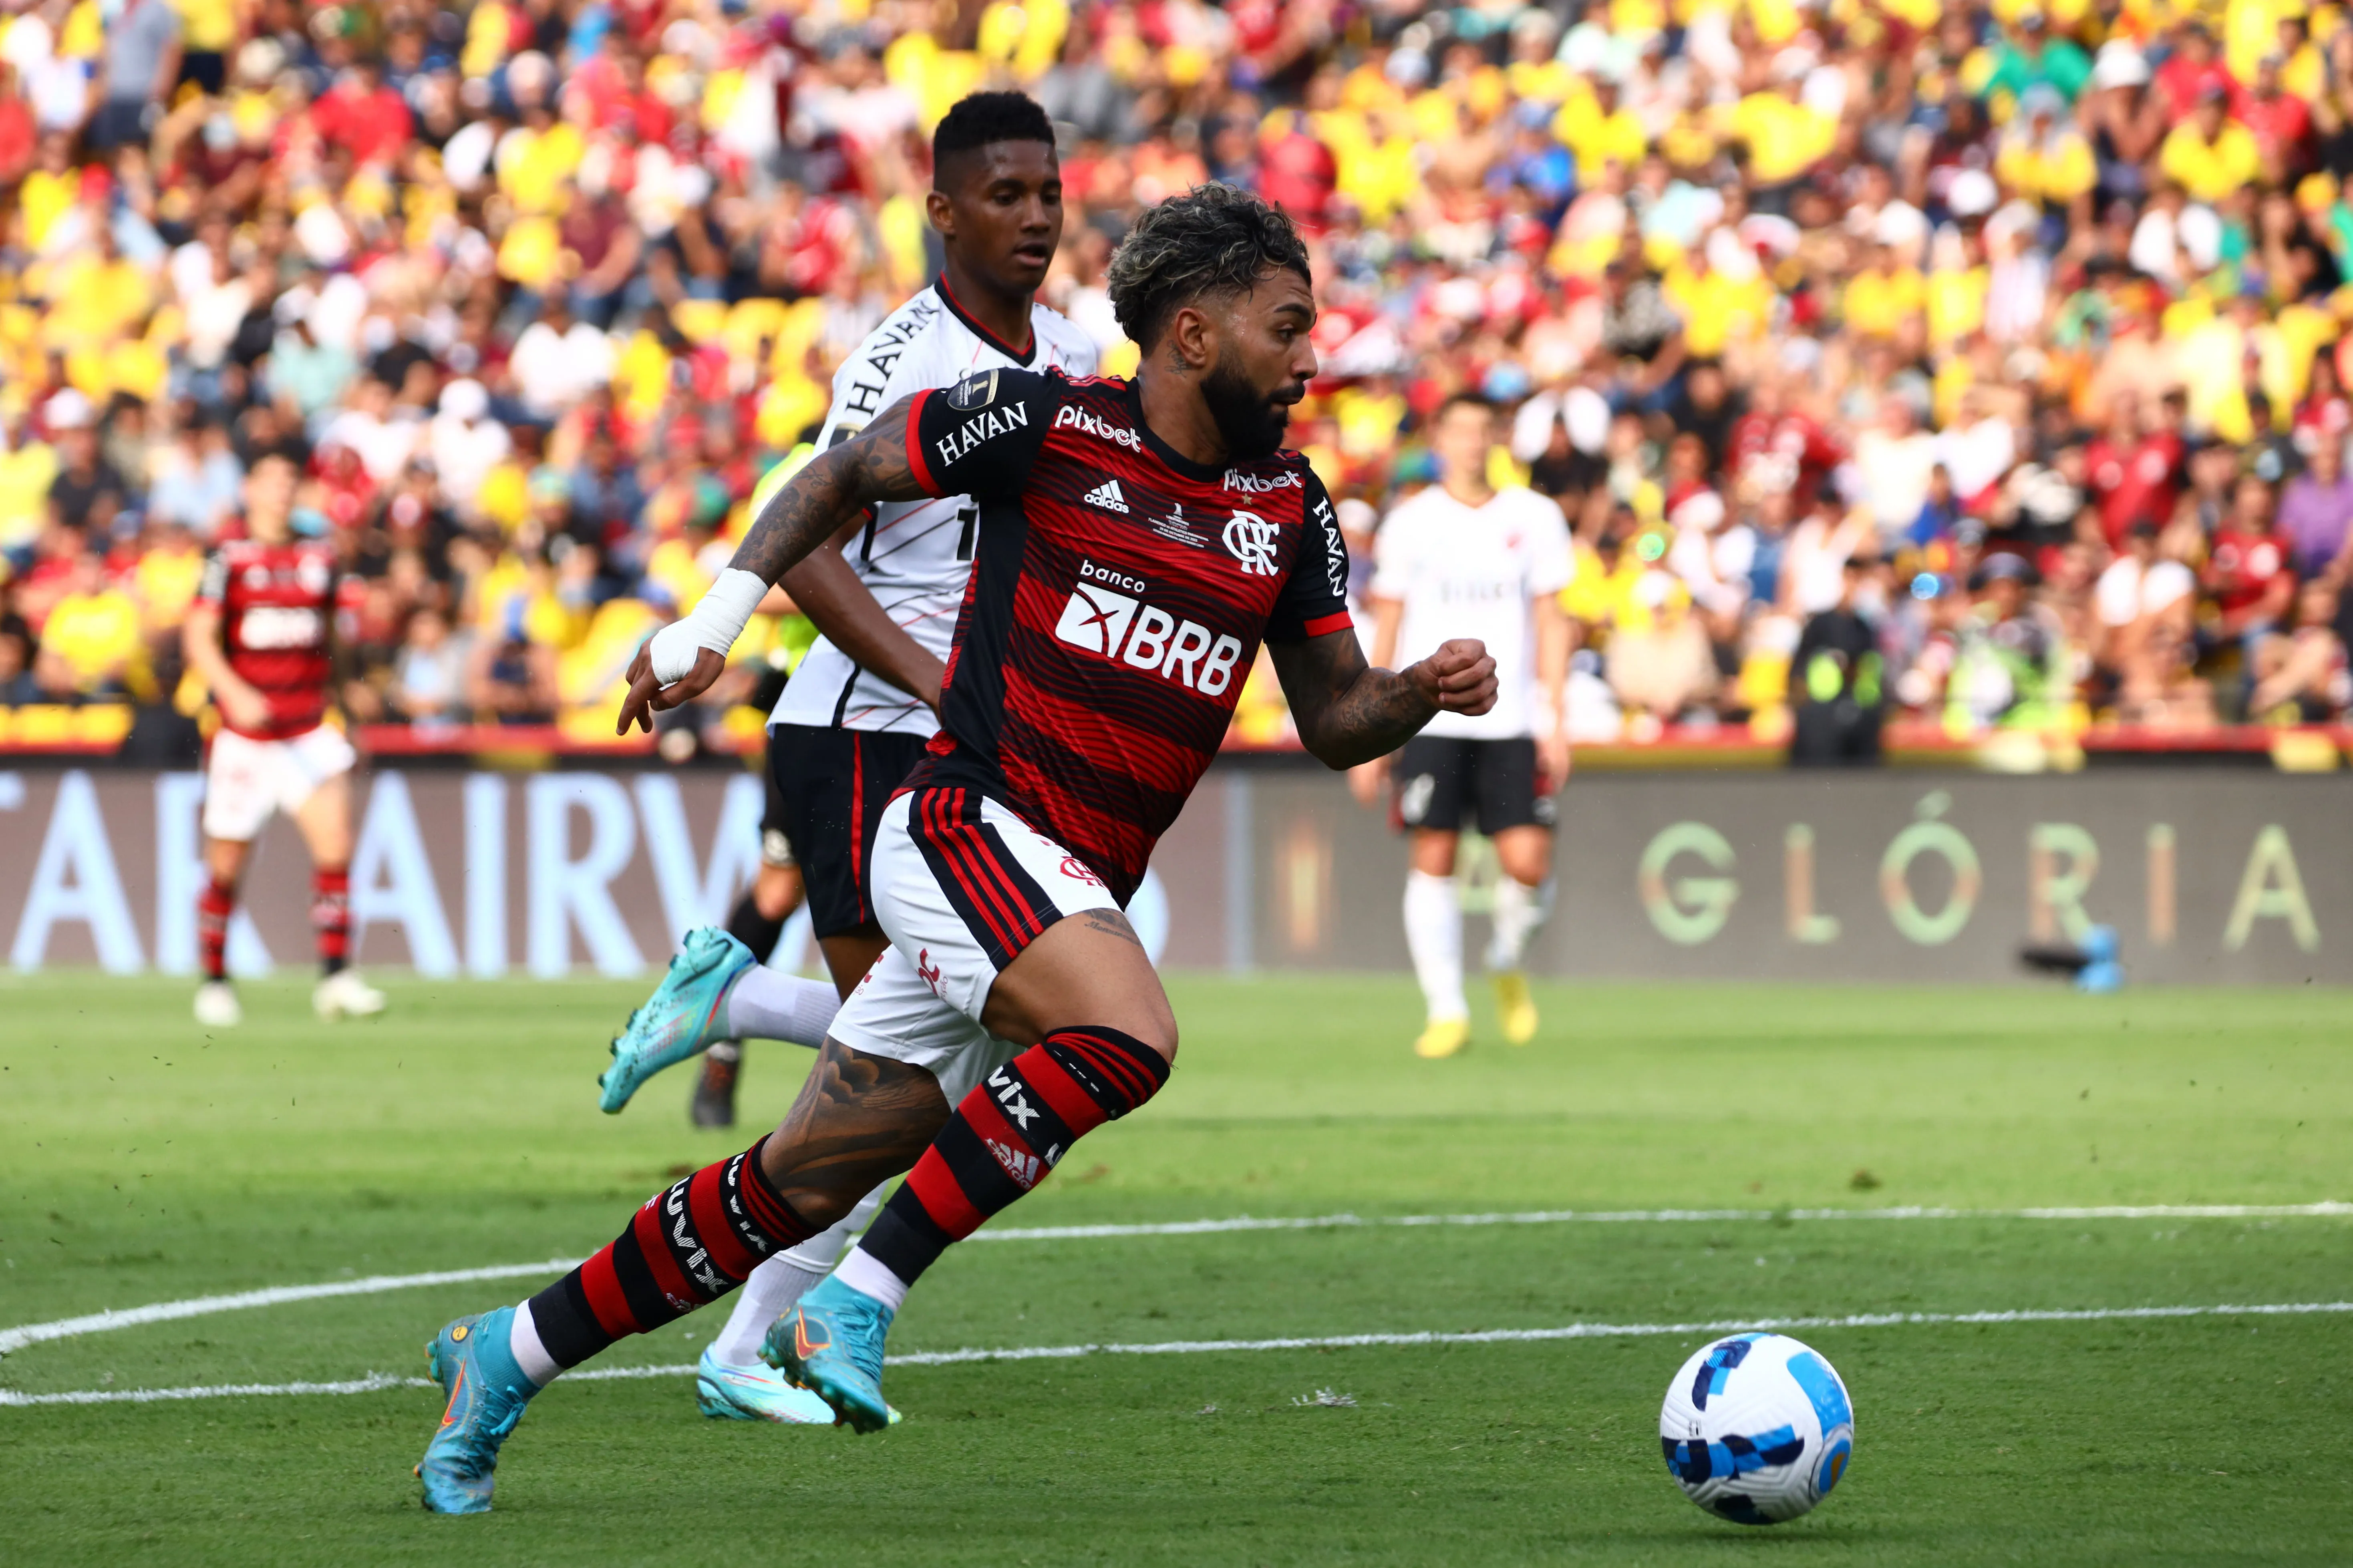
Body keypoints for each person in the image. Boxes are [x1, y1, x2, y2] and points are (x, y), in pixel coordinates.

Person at [412, 183, 1497, 1512]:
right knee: (1128, 1034)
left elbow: (1334, 719)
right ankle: (858, 1305)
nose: (1312, 357)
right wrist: (713, 621)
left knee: (787, 1186)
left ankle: (506, 1353)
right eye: (1288, 327)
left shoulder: (1289, 509)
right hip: (958, 827)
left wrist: (1416, 690)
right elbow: (831, 471)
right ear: (1196, 336)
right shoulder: (1047, 425)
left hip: (1061, 882)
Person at [593, 92, 1100, 1424]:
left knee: (949, 1062)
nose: (1036, 215)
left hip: (951, 742)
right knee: (926, 1076)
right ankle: (754, 1334)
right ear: (942, 212)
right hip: (864, 734)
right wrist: (922, 674)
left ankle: (738, 1013)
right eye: (1005, 194)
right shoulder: (901, 358)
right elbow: (809, 530)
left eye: (1048, 190)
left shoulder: (1070, 340)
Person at [1353, 392, 1572, 1058]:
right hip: (1431, 719)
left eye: (1483, 431)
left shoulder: (1534, 517)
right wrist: (1370, 725)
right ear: (1438, 439)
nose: (1471, 443)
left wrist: (1555, 715)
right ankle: (1445, 1008)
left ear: (1498, 438)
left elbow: (1552, 618)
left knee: (1528, 864)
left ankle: (1506, 960)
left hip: (1510, 718)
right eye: (1459, 431)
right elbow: (1387, 622)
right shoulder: (1412, 521)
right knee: (1434, 856)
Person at [180, 454, 384, 1025]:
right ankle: (215, 980)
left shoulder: (320, 557)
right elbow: (199, 638)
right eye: (270, 481)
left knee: (336, 848)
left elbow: (333, 641)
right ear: (248, 490)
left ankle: (336, 978)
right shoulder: (227, 559)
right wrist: (232, 693)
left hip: (309, 727)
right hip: (247, 735)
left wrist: (347, 698)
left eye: (289, 481)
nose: (280, 491)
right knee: (225, 863)